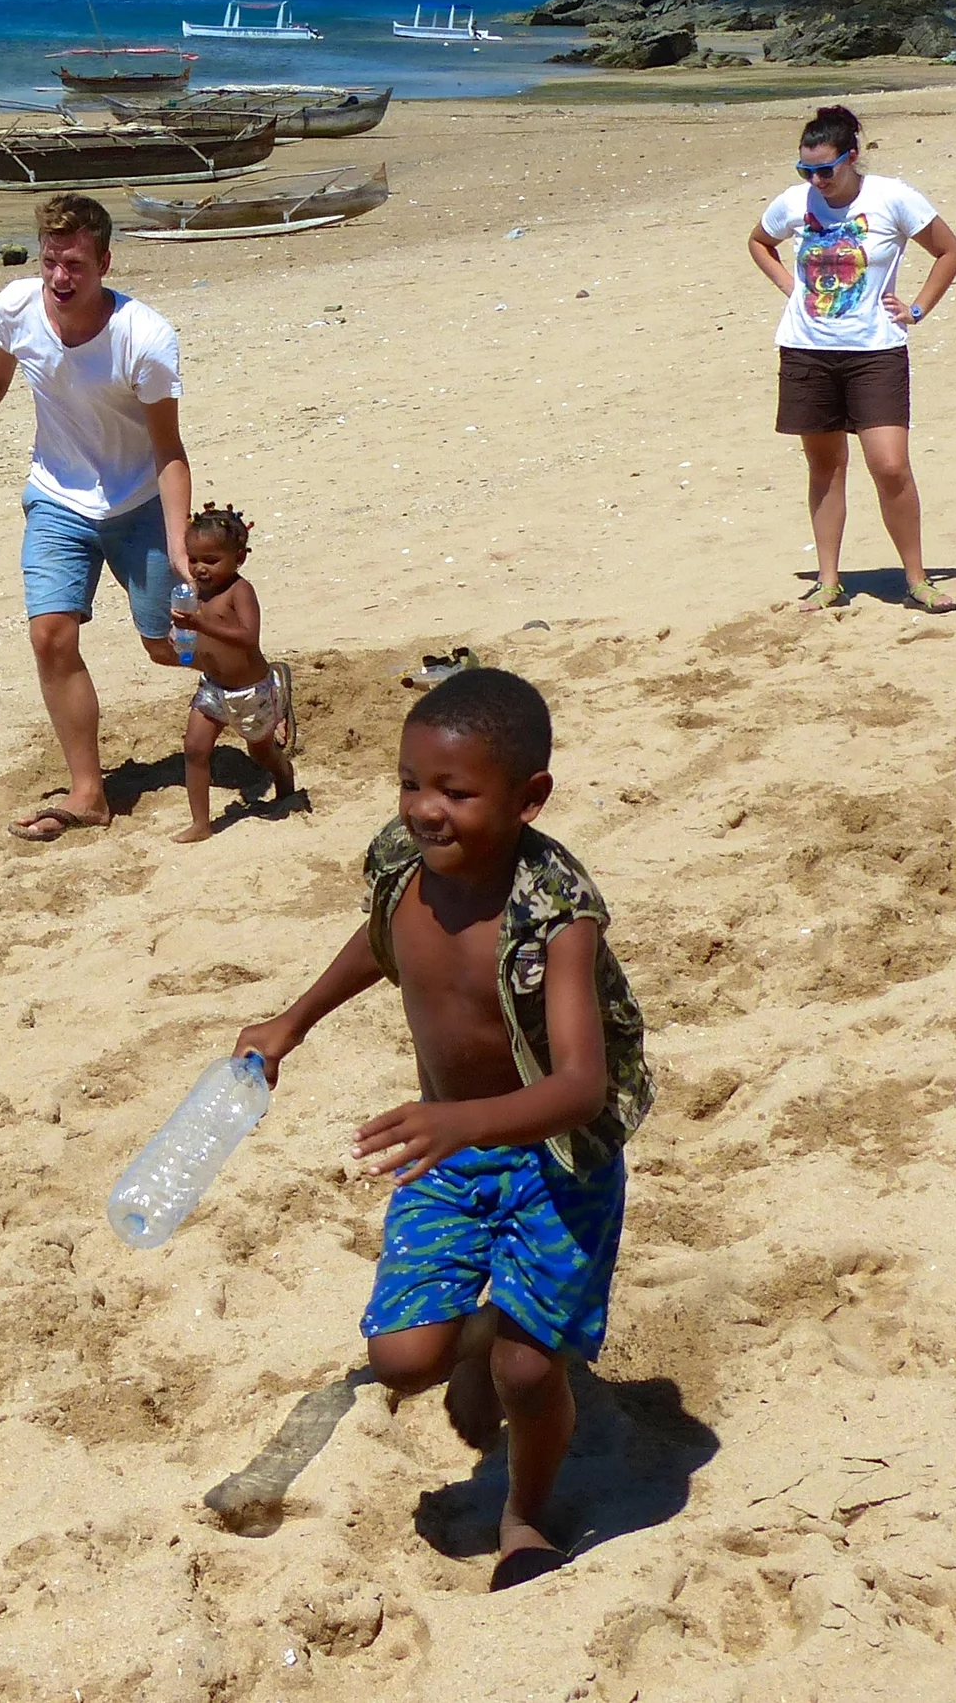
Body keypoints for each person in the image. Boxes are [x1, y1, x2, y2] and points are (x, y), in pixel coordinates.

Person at [232, 669, 652, 1590]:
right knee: (404, 1358)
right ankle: (480, 1332)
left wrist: (460, 1117)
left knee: (531, 1376)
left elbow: (581, 1085)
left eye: (456, 792)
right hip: (451, 1149)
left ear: (527, 797)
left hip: (558, 1161)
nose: (426, 809)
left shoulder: (555, 914)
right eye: (411, 783)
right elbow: (384, 938)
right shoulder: (401, 862)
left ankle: (527, 1516)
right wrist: (291, 1021)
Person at [0, 192, 194, 842]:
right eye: (52, 261)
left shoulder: (145, 338)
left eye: (75, 264)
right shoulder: (16, 307)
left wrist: (177, 542)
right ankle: (90, 793)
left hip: (136, 501)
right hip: (56, 498)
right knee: (51, 635)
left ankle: (251, 680)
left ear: (105, 262)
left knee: (166, 645)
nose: (59, 277)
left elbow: (168, 448)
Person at [747, 103, 956, 613]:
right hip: (807, 351)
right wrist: (790, 287)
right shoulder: (794, 202)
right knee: (824, 468)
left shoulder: (893, 198)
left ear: (851, 156)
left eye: (825, 168)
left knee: (890, 466)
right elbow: (759, 242)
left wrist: (915, 308)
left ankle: (917, 578)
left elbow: (949, 252)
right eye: (806, 170)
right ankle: (828, 581)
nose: (817, 180)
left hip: (876, 352)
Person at [170, 502, 296, 843]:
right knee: (195, 750)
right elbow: (198, 638)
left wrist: (200, 622)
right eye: (194, 559)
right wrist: (183, 636)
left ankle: (285, 776)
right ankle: (201, 823)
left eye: (211, 560)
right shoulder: (196, 593)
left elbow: (247, 637)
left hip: (250, 690)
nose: (200, 569)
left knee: (261, 751)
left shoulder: (240, 591)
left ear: (238, 558)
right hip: (213, 688)